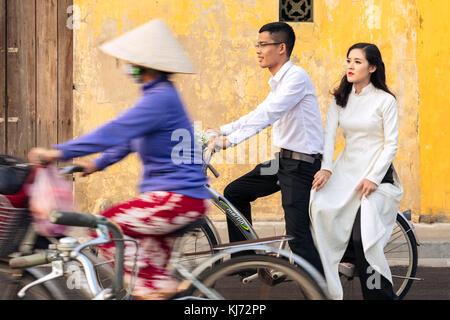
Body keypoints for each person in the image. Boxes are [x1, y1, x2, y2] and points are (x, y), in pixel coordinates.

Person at [27, 19, 210, 300]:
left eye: (129, 62)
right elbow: (129, 139)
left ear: (144, 65)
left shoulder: (159, 99)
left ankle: (158, 289)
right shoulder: (160, 96)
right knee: (145, 281)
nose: (125, 67)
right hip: (178, 197)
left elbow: (114, 131)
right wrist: (97, 164)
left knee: (107, 228)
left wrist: (58, 152)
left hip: (175, 198)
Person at [208, 22, 325, 275]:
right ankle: (247, 262)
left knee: (298, 238)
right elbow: (258, 112)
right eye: (257, 45)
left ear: (281, 48)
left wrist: (228, 142)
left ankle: (321, 291)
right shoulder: (278, 82)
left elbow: (269, 115)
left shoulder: (296, 77)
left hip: (301, 166)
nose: (258, 50)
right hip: (282, 162)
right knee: (234, 192)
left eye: (263, 45)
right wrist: (221, 130)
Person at [309, 43, 403, 300]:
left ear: (372, 68)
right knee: (318, 207)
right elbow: (328, 136)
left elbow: (391, 144)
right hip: (346, 168)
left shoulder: (385, 101)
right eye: (349, 60)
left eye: (358, 62)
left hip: (377, 174)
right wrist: (326, 168)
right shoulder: (341, 97)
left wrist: (373, 177)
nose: (350, 66)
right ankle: (339, 264)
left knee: (365, 238)